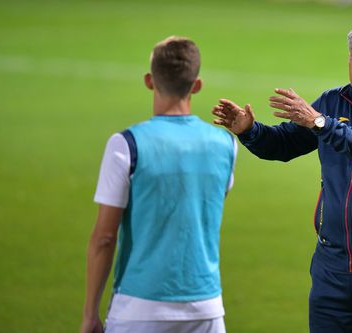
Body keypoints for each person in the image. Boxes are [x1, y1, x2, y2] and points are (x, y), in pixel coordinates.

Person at [212, 20, 352, 333]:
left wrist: (320, 123)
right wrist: (249, 130)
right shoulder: (333, 102)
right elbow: (285, 144)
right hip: (332, 265)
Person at [80, 36, 237, 333]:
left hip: (138, 308)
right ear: (197, 85)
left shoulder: (125, 145)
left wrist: (90, 314)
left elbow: (104, 238)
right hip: (206, 309)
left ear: (149, 81)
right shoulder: (226, 145)